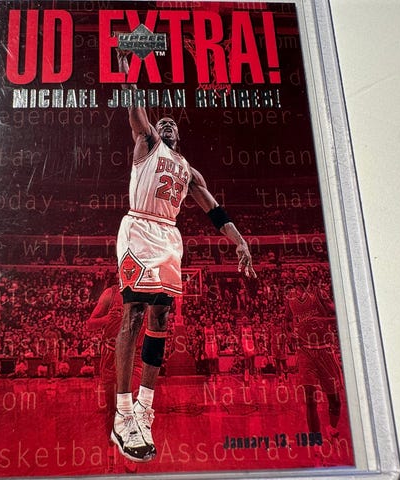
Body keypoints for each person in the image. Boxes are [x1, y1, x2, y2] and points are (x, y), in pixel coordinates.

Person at [111, 51, 257, 463]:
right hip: (140, 227)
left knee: (160, 318)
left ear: (180, 135)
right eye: (161, 122)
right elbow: (135, 110)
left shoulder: (189, 171)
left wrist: (240, 241)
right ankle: (122, 413)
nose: (166, 124)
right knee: (134, 314)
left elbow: (214, 210)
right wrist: (129, 74)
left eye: (172, 123)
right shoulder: (147, 143)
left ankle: (145, 408)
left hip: (169, 237)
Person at [87, 282, 143, 473]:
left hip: (134, 356)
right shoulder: (110, 294)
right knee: (111, 410)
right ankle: (111, 451)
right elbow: (89, 324)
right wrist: (105, 320)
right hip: (110, 356)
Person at [284, 265, 342, 439]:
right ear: (294, 276)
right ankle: (315, 439)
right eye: (298, 271)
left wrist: (321, 319)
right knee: (310, 400)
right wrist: (290, 334)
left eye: (303, 271)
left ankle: (332, 428)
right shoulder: (290, 297)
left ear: (309, 275)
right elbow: (287, 320)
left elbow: (337, 315)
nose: (300, 274)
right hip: (305, 352)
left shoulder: (319, 293)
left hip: (325, 350)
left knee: (335, 401)